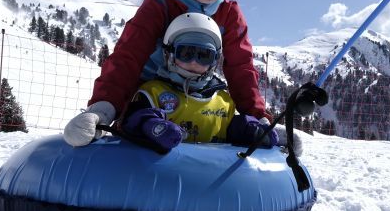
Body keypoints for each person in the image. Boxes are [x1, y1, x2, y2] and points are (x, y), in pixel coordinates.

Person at [63, 0, 273, 148]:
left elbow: (241, 68)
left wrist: (259, 119)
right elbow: (128, 56)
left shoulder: (228, 13)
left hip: (199, 94)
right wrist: (103, 109)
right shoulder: (160, 5)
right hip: (150, 99)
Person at [117, 12, 285, 153]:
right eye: (186, 52)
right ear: (169, 54)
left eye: (204, 55)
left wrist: (249, 130)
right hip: (164, 178)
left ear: (214, 61)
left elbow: (230, 130)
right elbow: (133, 120)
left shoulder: (223, 100)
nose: (194, 62)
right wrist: (152, 126)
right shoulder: (153, 92)